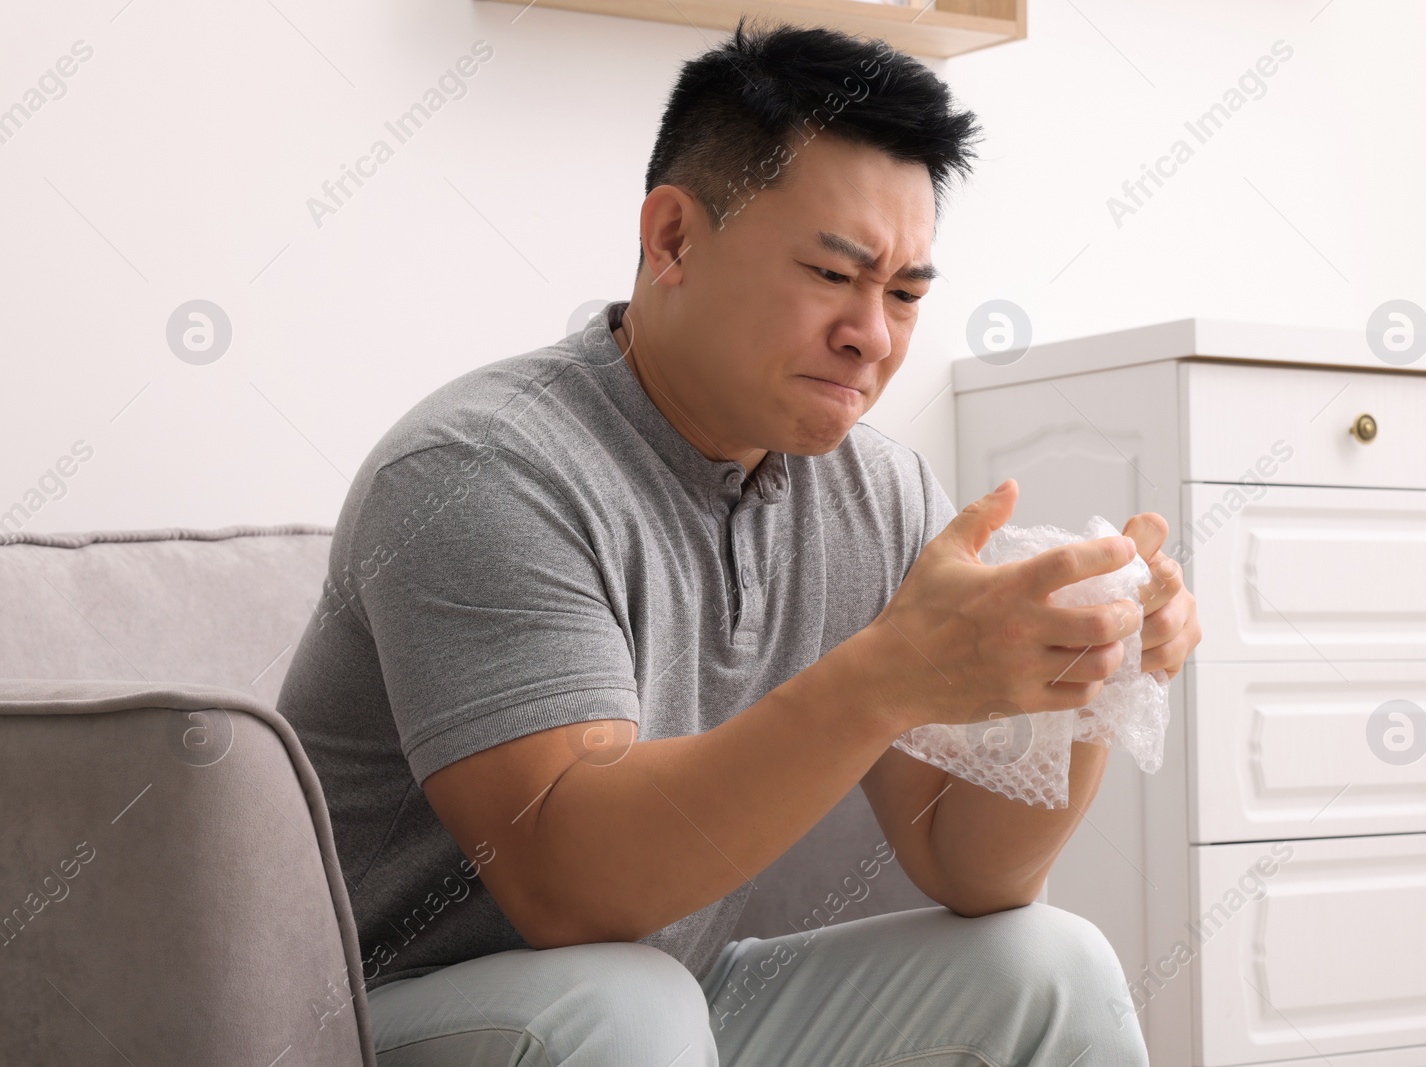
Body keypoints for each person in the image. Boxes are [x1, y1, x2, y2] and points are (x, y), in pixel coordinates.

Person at [278, 16, 1200, 1066]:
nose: (874, 335)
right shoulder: (480, 471)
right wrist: (883, 678)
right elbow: (567, 887)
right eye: (830, 274)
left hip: (666, 997)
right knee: (623, 1001)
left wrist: (1084, 671)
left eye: (903, 293)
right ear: (672, 238)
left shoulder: (878, 489)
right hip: (377, 1019)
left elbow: (968, 868)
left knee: (1049, 960)